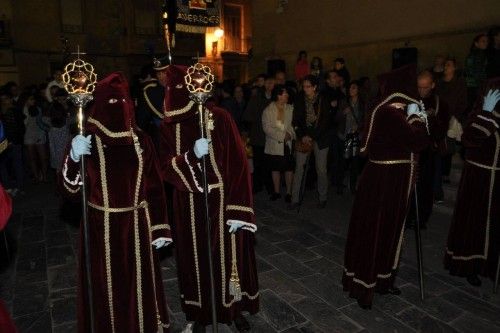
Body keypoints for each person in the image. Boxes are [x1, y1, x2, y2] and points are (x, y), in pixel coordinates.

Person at [60, 72, 171, 333]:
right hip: (102, 227)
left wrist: (160, 228)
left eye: (122, 101)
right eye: (111, 101)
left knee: (139, 285)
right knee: (106, 288)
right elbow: (70, 191)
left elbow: (154, 186)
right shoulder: (88, 138)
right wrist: (74, 157)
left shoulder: (141, 140)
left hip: (138, 225)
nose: (118, 107)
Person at [158, 65, 259, 333]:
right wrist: (190, 157)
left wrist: (239, 209)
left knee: (229, 257)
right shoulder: (170, 127)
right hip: (188, 203)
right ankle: (200, 313)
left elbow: (238, 162)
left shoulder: (221, 116)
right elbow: (165, 167)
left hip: (223, 201)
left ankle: (234, 308)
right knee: (195, 259)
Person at [342, 65, 430, 309]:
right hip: (384, 182)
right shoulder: (390, 114)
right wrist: (418, 120)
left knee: (388, 231)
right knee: (377, 230)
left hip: (388, 180)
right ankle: (365, 285)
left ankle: (381, 280)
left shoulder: (387, 112)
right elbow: (418, 141)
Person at [444, 82, 500, 287]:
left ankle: (488, 266)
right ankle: (470, 265)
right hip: (478, 179)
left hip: (496, 181)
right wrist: (486, 113)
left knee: (491, 226)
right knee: (474, 224)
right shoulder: (478, 116)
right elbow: (470, 139)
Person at [407, 70, 450, 226]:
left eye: (425, 87)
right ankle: (406, 215)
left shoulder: (441, 104)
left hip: (429, 152)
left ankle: (420, 218)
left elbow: (440, 132)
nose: (421, 91)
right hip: (411, 151)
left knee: (425, 186)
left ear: (432, 85)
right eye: (419, 87)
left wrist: (429, 119)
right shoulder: (411, 100)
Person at [290, 75, 332, 208]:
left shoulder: (323, 100)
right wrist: (303, 135)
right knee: (299, 168)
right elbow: (295, 120)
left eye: (308, 86)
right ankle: (294, 199)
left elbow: (325, 122)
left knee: (321, 169)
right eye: (304, 86)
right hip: (304, 137)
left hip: (320, 138)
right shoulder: (299, 99)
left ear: (314, 87)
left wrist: (313, 136)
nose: (305, 89)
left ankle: (323, 197)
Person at [435, 57, 468, 183]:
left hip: (452, 117)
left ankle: (445, 173)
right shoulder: (439, 83)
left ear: (454, 67)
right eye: (445, 64)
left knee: (449, 145)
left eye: (448, 65)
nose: (445, 67)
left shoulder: (459, 83)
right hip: (439, 118)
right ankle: (438, 172)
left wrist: (456, 115)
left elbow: (463, 101)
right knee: (439, 145)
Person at [262, 84, 295, 202]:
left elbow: (293, 125)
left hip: (287, 144)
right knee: (275, 168)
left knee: (289, 168)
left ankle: (289, 193)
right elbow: (267, 128)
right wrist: (282, 135)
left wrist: (290, 134)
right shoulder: (268, 110)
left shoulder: (290, 108)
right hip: (274, 144)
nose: (287, 95)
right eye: (285, 93)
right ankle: (276, 192)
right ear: (278, 96)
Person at [243, 75, 275, 194]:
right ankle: (257, 186)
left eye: (271, 83)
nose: (269, 85)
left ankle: (271, 187)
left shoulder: (276, 97)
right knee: (258, 163)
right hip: (258, 136)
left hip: (272, 137)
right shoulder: (256, 98)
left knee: (270, 163)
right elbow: (247, 116)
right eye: (267, 83)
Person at [135, 61, 166, 150]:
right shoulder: (151, 93)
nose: (161, 77)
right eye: (159, 73)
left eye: (164, 73)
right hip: (160, 139)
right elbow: (141, 121)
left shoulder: (182, 90)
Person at [21, 92, 49, 183]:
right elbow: (24, 124)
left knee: (43, 157)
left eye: (33, 99)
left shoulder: (38, 109)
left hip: (39, 133)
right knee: (32, 158)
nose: (33, 101)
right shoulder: (23, 110)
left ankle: (44, 176)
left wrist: (47, 129)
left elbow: (41, 122)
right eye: (30, 99)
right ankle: (36, 176)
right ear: (25, 101)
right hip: (28, 134)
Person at [465, 33, 489, 114]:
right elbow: (475, 72)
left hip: (475, 85)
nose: (486, 43)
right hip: (475, 86)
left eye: (486, 41)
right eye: (483, 41)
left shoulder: (479, 54)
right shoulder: (477, 55)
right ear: (476, 43)